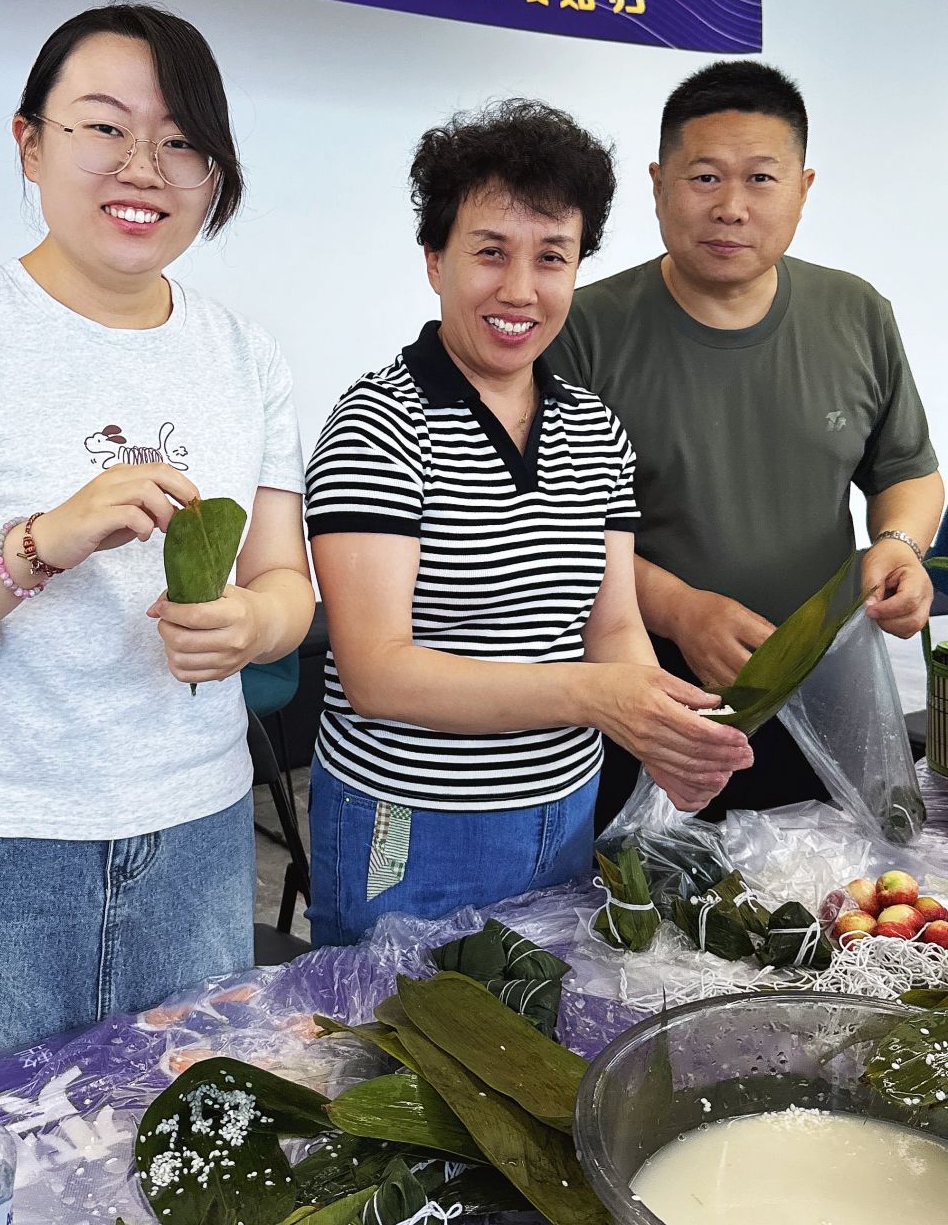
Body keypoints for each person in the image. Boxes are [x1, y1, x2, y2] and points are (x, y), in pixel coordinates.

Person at [0, 2, 314, 1092]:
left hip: (196, 836)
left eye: (181, 140)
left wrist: (251, 624)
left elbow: (285, 585)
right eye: (104, 127)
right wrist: (41, 543)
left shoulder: (247, 358)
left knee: (167, 1146)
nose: (144, 168)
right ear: (30, 142)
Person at [302, 101, 752, 946]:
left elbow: (612, 624)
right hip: (413, 826)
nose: (520, 289)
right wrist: (595, 696)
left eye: (552, 257)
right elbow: (376, 674)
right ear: (434, 260)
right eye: (490, 252)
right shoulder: (376, 425)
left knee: (543, 1020)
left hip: (566, 812)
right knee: (394, 1024)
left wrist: (663, 730)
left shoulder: (595, 428)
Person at [548, 60, 942, 825]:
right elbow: (554, 530)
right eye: (704, 178)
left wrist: (899, 545)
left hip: (825, 686)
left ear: (803, 188)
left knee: (832, 882)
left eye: (761, 178)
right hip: (647, 691)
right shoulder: (582, 330)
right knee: (644, 891)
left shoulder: (856, 312)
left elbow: (908, 470)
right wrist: (680, 611)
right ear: (659, 185)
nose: (731, 207)